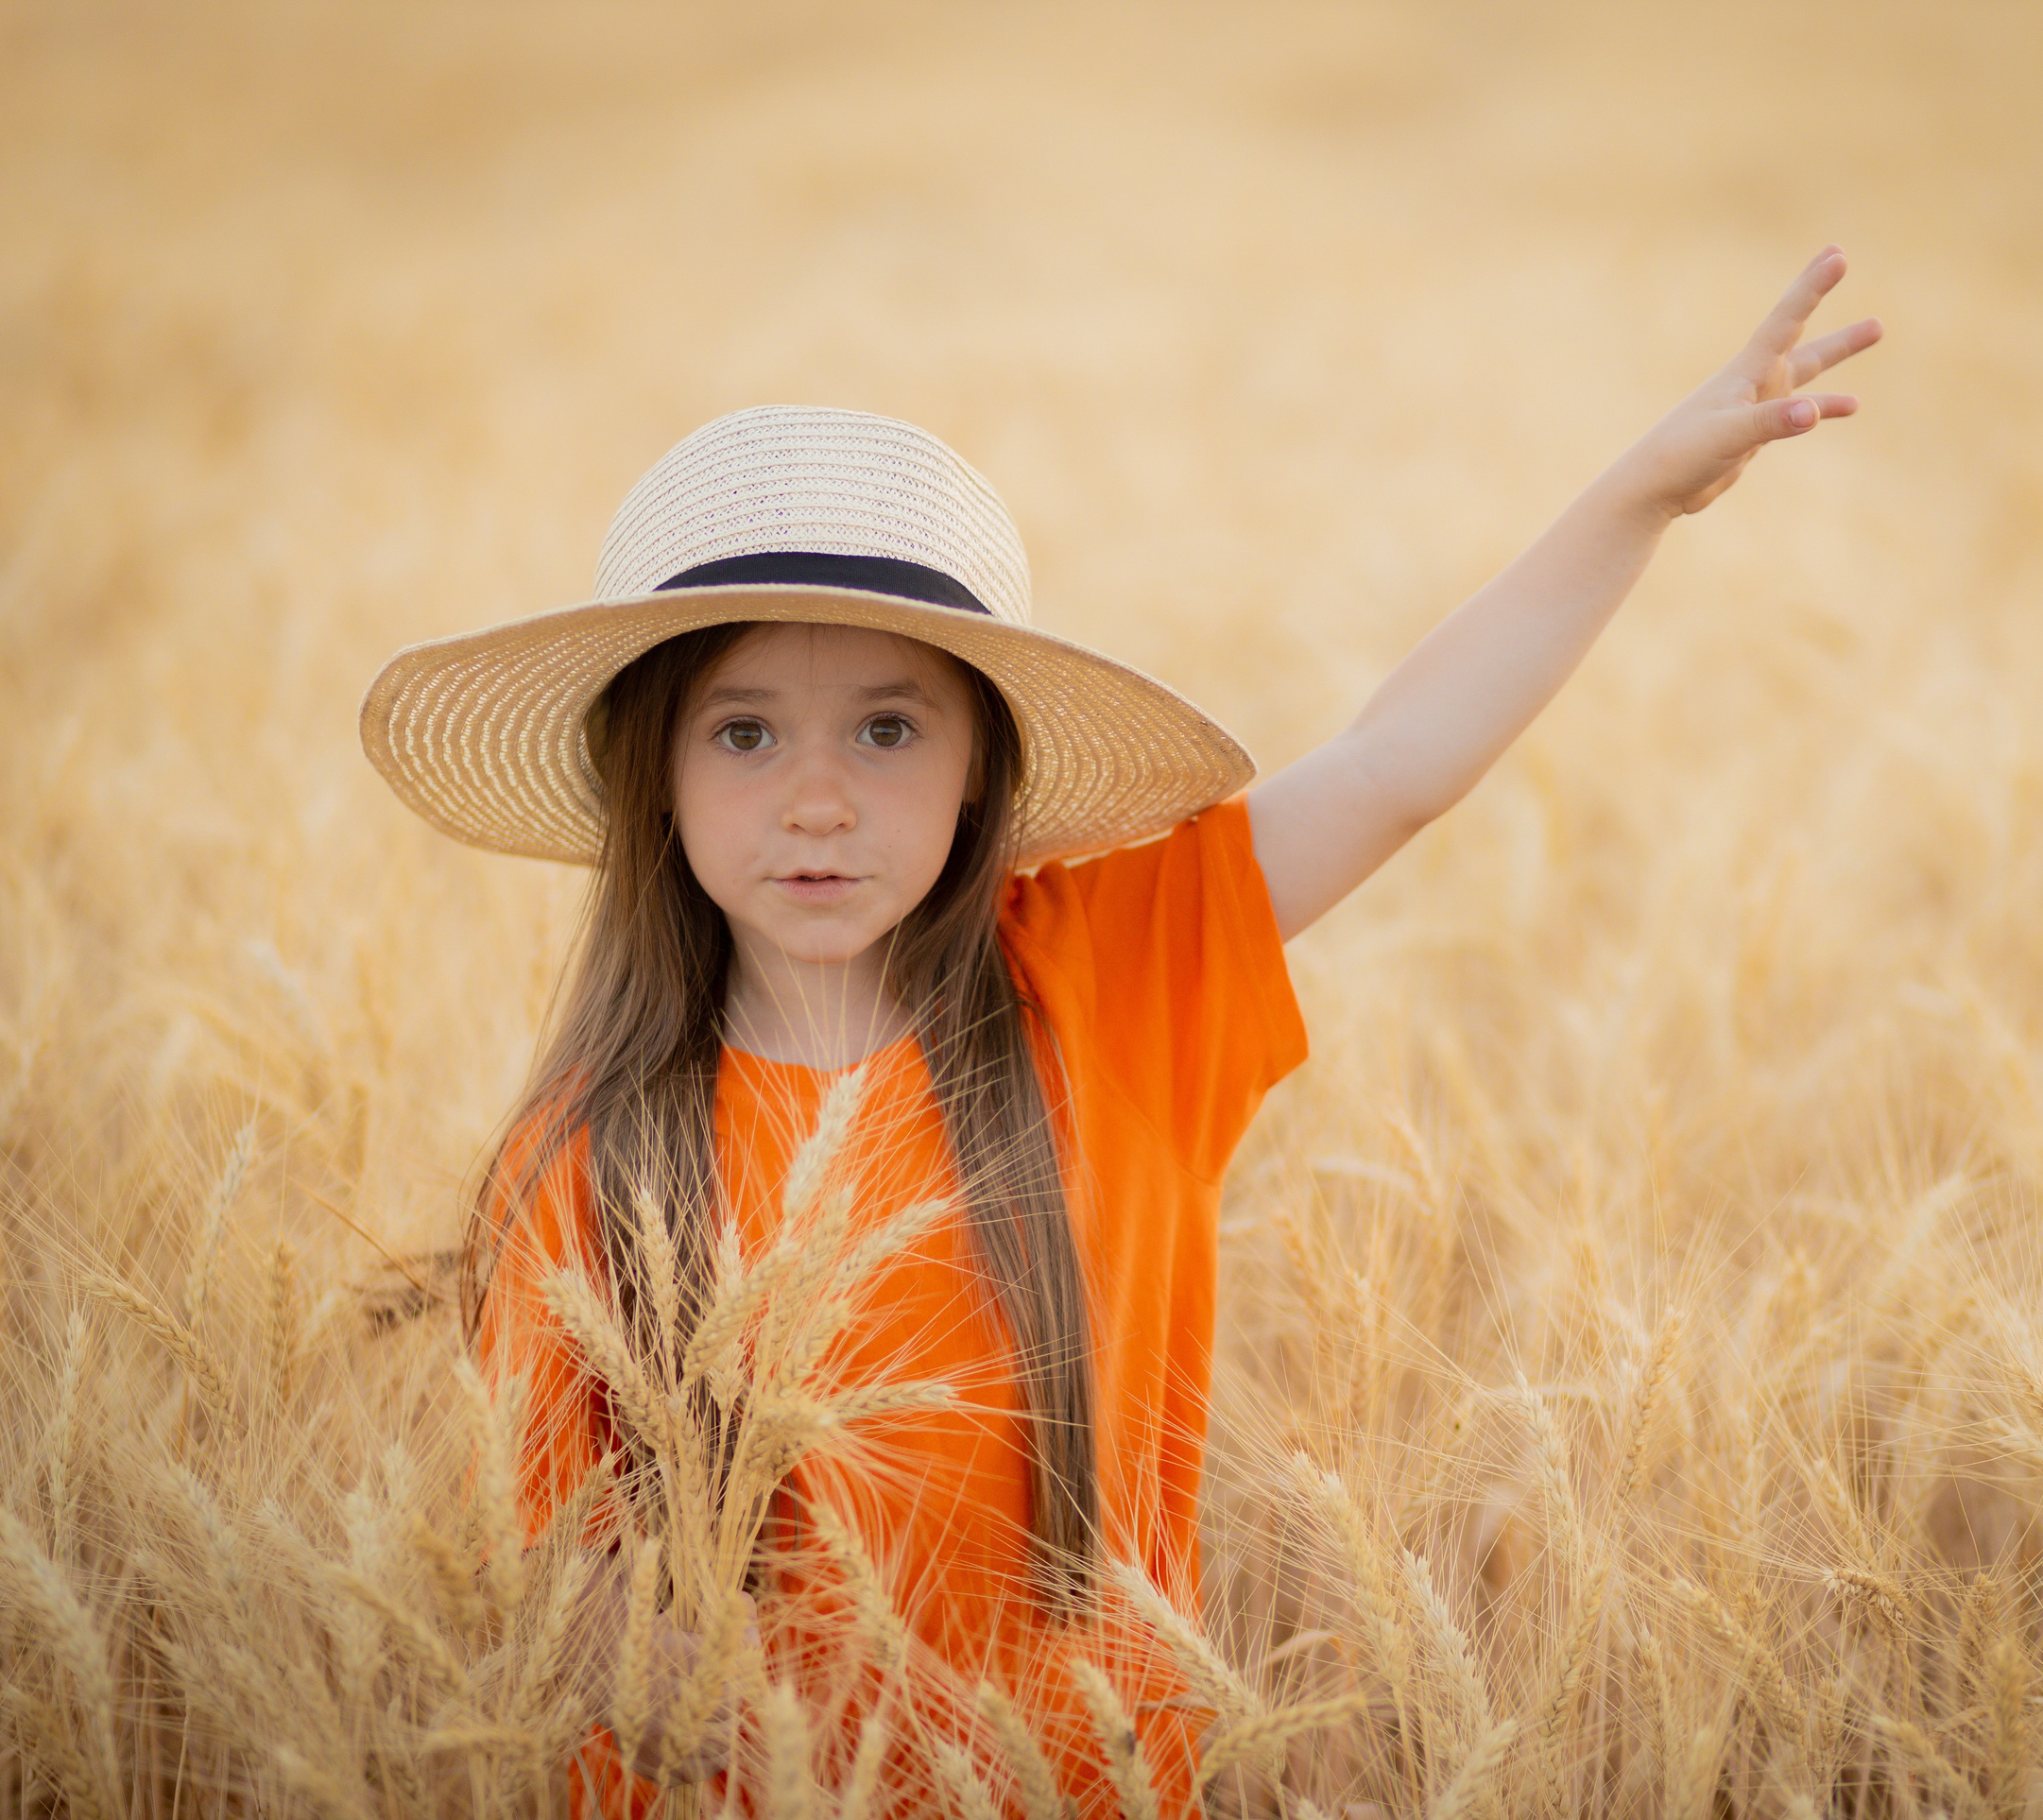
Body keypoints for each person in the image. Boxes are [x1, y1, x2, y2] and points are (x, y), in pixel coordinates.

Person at [360, 247, 1878, 1815]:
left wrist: (1642, 491)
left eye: (889, 728)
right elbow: (561, 1570)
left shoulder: (1107, 985)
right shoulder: (591, 1152)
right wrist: (635, 1661)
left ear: (979, 774)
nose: (817, 797)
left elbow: (1394, 765)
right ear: (655, 775)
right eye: (743, 731)